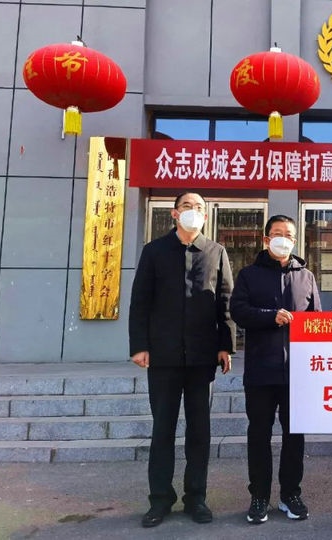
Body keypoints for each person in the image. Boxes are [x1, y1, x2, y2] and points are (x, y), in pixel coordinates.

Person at [128, 192, 235, 528]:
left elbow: (225, 302)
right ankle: (160, 499)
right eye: (187, 206)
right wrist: (139, 346)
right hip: (163, 356)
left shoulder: (216, 252)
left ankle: (196, 498)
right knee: (163, 429)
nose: (193, 211)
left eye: (199, 208)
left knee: (199, 431)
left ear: (206, 216)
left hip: (203, 357)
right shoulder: (154, 251)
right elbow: (140, 301)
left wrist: (226, 345)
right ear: (174, 213)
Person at [230, 214, 321, 525]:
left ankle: (290, 494)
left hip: (297, 373)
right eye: (277, 233)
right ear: (266, 239)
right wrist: (270, 316)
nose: (283, 239)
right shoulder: (249, 275)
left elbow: (315, 321)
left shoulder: (306, 276)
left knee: (294, 435)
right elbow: (238, 311)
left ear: (295, 241)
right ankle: (259, 496)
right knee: (259, 435)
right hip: (260, 370)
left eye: (289, 234)